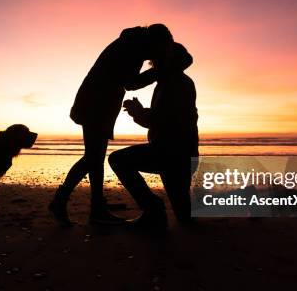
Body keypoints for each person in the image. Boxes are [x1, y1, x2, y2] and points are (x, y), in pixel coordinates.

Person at [49, 24, 192, 226]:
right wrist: (162, 71)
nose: (156, 57)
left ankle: (94, 207)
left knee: (94, 158)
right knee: (93, 157)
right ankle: (70, 203)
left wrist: (167, 67)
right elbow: (130, 83)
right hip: (95, 103)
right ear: (155, 43)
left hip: (100, 103)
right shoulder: (132, 45)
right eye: (160, 51)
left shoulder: (135, 44)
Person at [108, 42, 199, 228]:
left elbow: (162, 120)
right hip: (180, 155)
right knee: (185, 217)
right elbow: (165, 116)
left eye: (155, 61)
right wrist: (140, 112)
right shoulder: (176, 81)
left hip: (171, 155)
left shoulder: (175, 84)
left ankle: (153, 208)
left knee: (117, 160)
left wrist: (137, 111)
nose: (153, 66)